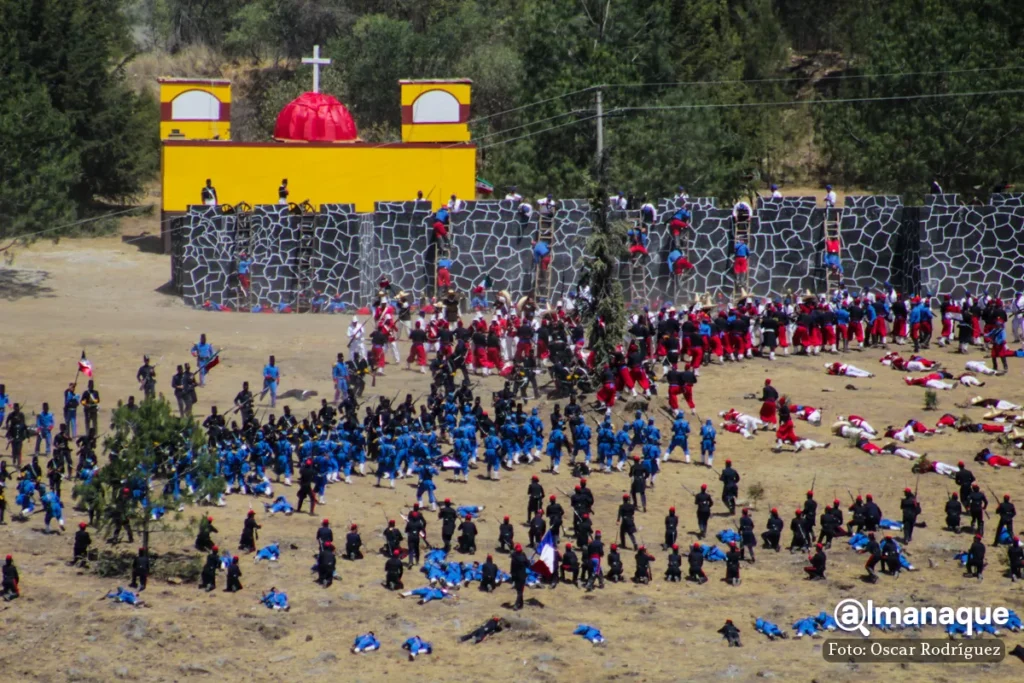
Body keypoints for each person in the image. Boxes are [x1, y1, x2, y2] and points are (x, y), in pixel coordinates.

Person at [509, 543, 529, 610]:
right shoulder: (523, 556)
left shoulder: (513, 557)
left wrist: (512, 578)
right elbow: (528, 565)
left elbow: (512, 568)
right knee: (520, 591)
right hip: (522, 576)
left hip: (515, 576)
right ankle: (516, 604)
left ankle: (521, 604)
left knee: (519, 591)